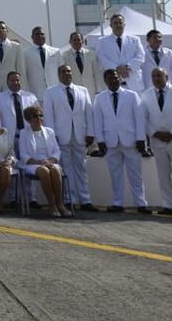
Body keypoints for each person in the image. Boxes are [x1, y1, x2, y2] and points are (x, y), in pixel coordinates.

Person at [92, 69, 149, 213]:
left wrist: (141, 139)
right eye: (110, 78)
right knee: (115, 175)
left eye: (116, 78)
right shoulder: (100, 98)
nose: (114, 80)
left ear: (119, 79)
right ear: (105, 81)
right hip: (110, 141)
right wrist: (100, 140)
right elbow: (97, 121)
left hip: (130, 140)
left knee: (135, 174)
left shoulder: (131, 95)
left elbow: (139, 119)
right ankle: (118, 203)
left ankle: (141, 203)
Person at [42, 64, 96, 211]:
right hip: (61, 135)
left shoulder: (82, 90)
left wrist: (90, 133)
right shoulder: (51, 92)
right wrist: (52, 136)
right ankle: (69, 198)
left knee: (81, 168)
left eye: (69, 71)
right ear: (59, 74)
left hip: (80, 134)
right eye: (64, 72)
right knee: (65, 169)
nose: (67, 74)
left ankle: (85, 199)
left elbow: (89, 113)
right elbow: (49, 115)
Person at [139, 68, 172, 215]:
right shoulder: (146, 94)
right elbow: (144, 117)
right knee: (163, 175)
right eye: (153, 76)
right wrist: (154, 133)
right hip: (158, 141)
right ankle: (169, 204)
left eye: (159, 75)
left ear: (167, 76)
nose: (156, 78)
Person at [19, 107, 69, 217]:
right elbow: (23, 154)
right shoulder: (24, 133)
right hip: (32, 164)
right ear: (28, 119)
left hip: (50, 161)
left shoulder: (49, 131)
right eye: (35, 116)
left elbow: (57, 151)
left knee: (55, 170)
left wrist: (50, 161)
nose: (39, 118)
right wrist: (38, 162)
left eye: (40, 115)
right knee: (44, 171)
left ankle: (60, 204)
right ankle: (51, 205)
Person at [93, 14, 144, 89]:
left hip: (133, 82)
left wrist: (127, 67)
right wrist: (117, 69)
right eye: (115, 23)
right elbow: (101, 58)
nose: (118, 25)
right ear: (111, 25)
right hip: (113, 82)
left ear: (124, 25)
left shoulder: (135, 40)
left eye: (120, 23)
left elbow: (141, 56)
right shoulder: (102, 41)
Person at [0, 71, 39, 139]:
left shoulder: (31, 97)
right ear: (7, 82)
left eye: (17, 80)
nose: (15, 82)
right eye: (12, 80)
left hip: (29, 136)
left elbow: (38, 116)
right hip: (7, 137)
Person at [0, 21, 25, 94]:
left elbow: (20, 69)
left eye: (3, 28)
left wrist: (22, 87)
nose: (0, 30)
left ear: (7, 31)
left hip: (12, 86)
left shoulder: (16, 47)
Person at [23, 26, 61, 99]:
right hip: (35, 92)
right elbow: (24, 73)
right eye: (37, 34)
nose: (40, 36)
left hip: (54, 90)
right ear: (32, 37)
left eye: (42, 34)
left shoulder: (56, 52)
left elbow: (61, 70)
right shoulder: (25, 53)